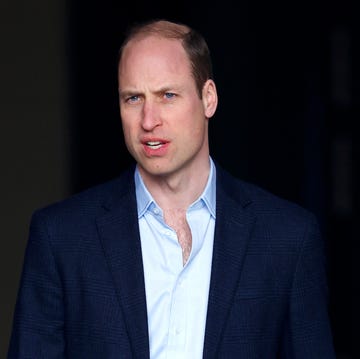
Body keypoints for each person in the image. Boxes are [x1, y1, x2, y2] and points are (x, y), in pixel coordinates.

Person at [8, 19, 335, 358]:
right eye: (133, 98)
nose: (148, 120)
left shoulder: (288, 238)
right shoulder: (61, 237)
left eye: (167, 95)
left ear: (208, 98)